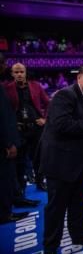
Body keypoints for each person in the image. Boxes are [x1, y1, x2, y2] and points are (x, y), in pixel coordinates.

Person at [39, 65, 83, 253]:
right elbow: (61, 124)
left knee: (78, 204)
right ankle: (51, 247)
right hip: (60, 163)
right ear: (79, 79)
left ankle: (79, 236)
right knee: (56, 209)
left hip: (82, 162)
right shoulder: (65, 95)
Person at [4, 63, 49, 203]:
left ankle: (40, 181)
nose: (19, 74)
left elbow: (48, 103)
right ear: (12, 73)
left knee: (39, 157)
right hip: (18, 130)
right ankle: (20, 190)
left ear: (25, 72)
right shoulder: (6, 88)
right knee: (20, 161)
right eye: (16, 72)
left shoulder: (35, 86)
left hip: (36, 128)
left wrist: (45, 119)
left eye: (21, 71)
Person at [0, 86, 29, 224]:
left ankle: (16, 200)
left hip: (14, 138)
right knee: (5, 178)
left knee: (13, 174)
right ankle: (4, 214)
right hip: (5, 143)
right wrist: (8, 143)